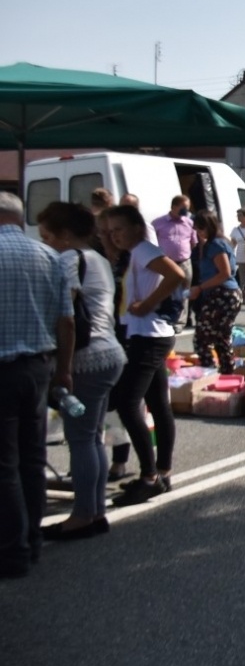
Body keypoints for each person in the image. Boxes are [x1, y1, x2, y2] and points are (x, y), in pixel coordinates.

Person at [35, 202, 123, 542]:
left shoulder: (70, 259)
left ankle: (84, 514)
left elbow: (66, 315)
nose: (45, 243)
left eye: (47, 236)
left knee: (81, 438)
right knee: (93, 435)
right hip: (109, 353)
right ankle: (95, 510)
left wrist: (65, 367)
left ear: (65, 235)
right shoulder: (98, 259)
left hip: (86, 358)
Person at [0, 192, 75, 576]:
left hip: (4, 367)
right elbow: (66, 321)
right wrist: (63, 369)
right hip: (39, 367)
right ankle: (31, 544)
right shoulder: (50, 256)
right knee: (32, 460)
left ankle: (11, 552)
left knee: (5, 465)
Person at [103, 204, 186, 507]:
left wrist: (149, 303)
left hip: (149, 336)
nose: (115, 236)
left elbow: (176, 274)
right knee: (157, 404)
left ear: (137, 227)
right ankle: (161, 473)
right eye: (110, 231)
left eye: (119, 229)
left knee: (127, 403)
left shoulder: (143, 250)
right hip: (147, 334)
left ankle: (150, 476)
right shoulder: (133, 253)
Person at [186, 212, 243, 374]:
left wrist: (200, 287)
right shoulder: (212, 244)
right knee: (220, 338)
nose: (198, 233)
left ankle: (208, 372)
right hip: (225, 294)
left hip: (223, 295)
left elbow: (224, 273)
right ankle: (226, 372)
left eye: (201, 229)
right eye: (196, 229)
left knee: (202, 338)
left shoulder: (216, 245)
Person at [152, 195, 197, 327]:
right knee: (164, 290)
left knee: (184, 292)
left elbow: (194, 242)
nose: (186, 211)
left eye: (188, 209)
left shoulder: (189, 223)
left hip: (184, 262)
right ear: (174, 207)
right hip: (166, 263)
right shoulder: (158, 223)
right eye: (183, 208)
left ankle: (180, 321)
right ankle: (164, 317)